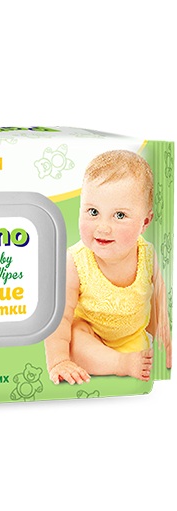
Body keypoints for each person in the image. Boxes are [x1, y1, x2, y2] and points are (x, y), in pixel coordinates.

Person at [45, 150, 174, 385]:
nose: (103, 227)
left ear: (145, 222)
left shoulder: (148, 256)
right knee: (76, 337)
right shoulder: (75, 262)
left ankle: (127, 359)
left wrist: (166, 342)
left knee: (143, 349)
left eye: (119, 215)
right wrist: (59, 361)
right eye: (93, 212)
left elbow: (158, 305)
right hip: (89, 334)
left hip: (131, 337)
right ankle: (119, 363)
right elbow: (59, 317)